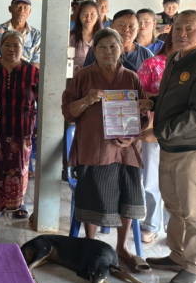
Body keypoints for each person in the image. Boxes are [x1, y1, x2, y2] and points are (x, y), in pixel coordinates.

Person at [145, 10, 196, 283]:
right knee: (174, 205)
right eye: (178, 28)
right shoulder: (175, 59)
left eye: (190, 29)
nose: (182, 34)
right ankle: (177, 255)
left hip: (193, 149)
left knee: (193, 210)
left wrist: (158, 132)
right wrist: (152, 103)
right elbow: (173, 99)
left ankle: (193, 264)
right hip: (171, 146)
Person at [63, 28, 148, 270]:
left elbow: (142, 115)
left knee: (128, 195)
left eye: (113, 46)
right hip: (95, 148)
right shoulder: (83, 77)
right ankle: (91, 245)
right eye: (102, 47)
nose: (108, 51)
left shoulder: (131, 78)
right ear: (94, 50)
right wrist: (87, 100)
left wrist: (132, 136)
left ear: (121, 49)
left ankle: (122, 248)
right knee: (94, 195)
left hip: (126, 150)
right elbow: (68, 112)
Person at [0, 31, 38, 218]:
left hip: (21, 129)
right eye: (7, 45)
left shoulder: (32, 72)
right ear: (0, 47)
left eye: (17, 45)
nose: (12, 49)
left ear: (23, 48)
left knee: (19, 168)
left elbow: (42, 100)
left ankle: (17, 204)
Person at [135, 40, 174, 244]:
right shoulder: (152, 64)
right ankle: (151, 223)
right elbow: (139, 96)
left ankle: (173, 227)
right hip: (152, 129)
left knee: (176, 183)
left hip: (181, 134)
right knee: (151, 180)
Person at [83, 9, 153, 72]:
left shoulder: (146, 55)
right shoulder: (96, 50)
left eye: (131, 26)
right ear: (111, 27)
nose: (126, 30)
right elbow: (86, 76)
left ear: (137, 30)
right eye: (121, 25)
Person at [0, 0, 42, 64]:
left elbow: (36, 62)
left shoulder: (35, 34)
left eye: (25, 7)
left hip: (27, 70)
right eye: (18, 6)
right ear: (10, 9)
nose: (22, 10)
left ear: (30, 12)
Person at [70, 0, 101, 73]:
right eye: (85, 14)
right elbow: (65, 61)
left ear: (98, 16)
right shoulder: (71, 37)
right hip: (76, 77)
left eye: (92, 14)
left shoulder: (104, 37)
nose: (88, 17)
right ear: (79, 16)